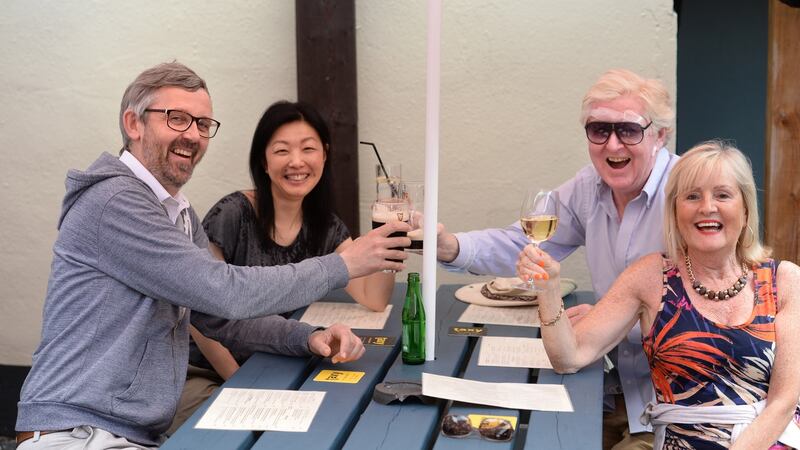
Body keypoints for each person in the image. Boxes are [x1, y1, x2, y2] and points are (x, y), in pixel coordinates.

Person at [15, 62, 410, 449]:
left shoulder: (176, 210)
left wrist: (309, 338)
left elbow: (218, 318)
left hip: (128, 433)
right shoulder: (116, 201)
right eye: (176, 119)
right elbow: (225, 292)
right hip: (76, 433)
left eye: (203, 124)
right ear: (133, 125)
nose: (193, 135)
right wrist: (342, 266)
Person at [437, 68, 675, 449]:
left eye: (629, 131)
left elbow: (714, 302)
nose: (613, 145)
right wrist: (450, 247)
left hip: (671, 404)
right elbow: (523, 243)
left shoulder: (688, 193)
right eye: (599, 130)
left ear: (660, 135)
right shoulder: (588, 188)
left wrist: (604, 317)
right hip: (606, 389)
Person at [518, 141, 800, 450]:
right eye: (692, 196)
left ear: (745, 210)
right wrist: (548, 289)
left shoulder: (784, 281)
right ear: (675, 211)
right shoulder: (651, 277)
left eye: (722, 195)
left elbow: (784, 402)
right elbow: (569, 357)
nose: (707, 207)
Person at [167, 100, 397, 433]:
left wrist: (388, 240)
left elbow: (373, 298)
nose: (297, 162)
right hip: (205, 370)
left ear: (325, 154)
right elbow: (201, 317)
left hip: (275, 357)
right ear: (263, 159)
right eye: (282, 151)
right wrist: (239, 382)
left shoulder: (323, 225)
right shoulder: (233, 214)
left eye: (308, 149)